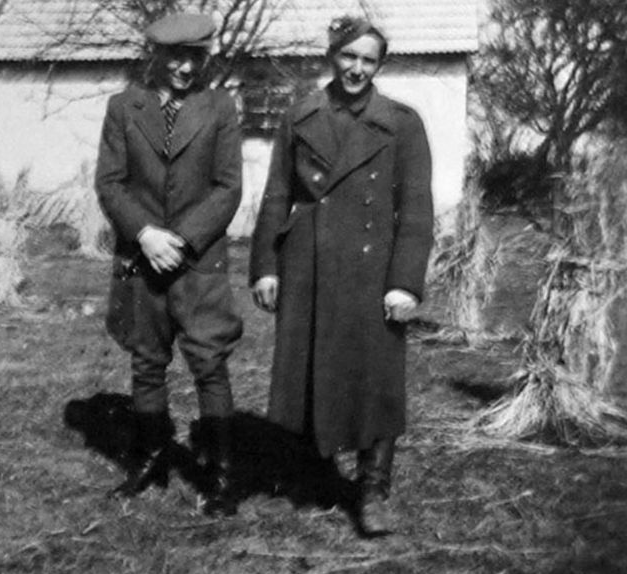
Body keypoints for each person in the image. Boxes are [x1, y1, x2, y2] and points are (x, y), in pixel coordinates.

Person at [249, 16, 434, 535]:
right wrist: (265, 266)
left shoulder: (401, 123)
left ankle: (373, 489)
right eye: (349, 56)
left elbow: (416, 211)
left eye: (368, 60)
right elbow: (277, 195)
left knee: (377, 377)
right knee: (313, 367)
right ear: (332, 56)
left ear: (380, 65)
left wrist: (405, 282)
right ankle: (317, 471)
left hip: (373, 270)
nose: (357, 69)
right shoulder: (300, 115)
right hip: (307, 261)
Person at [95, 12, 243, 516]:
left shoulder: (220, 107)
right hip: (141, 260)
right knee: (146, 360)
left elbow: (228, 187)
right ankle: (150, 457)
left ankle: (221, 474)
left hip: (197, 261)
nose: (185, 68)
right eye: (175, 57)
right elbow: (110, 182)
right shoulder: (123, 107)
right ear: (155, 55)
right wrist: (145, 234)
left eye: (195, 57)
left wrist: (180, 240)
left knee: (209, 363)